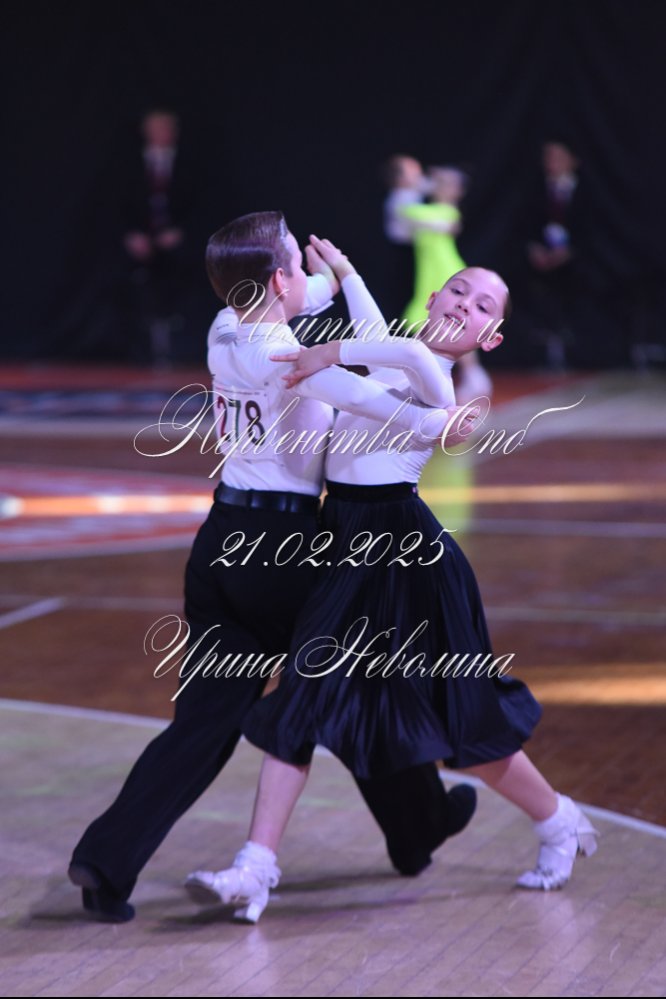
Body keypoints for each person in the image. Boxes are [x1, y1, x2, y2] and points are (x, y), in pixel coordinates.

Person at [67, 211, 477, 923]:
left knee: (204, 719)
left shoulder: (224, 327)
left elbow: (306, 296)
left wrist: (335, 276)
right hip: (280, 549)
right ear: (279, 279)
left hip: (220, 541)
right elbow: (371, 398)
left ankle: (105, 863)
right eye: (294, 262)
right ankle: (420, 825)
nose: (302, 274)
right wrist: (438, 423)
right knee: (359, 680)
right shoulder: (289, 356)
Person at [185, 250, 599, 923]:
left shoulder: (441, 380)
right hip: (345, 543)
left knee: (464, 718)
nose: (464, 304)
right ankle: (254, 869)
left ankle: (558, 819)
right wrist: (348, 276)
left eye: (482, 306)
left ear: (490, 338)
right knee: (301, 698)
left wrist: (328, 350)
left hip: (408, 558)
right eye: (458, 291)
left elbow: (394, 360)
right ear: (432, 298)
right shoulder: (396, 353)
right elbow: (383, 343)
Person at [400, 166, 494, 405]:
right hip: (430, 275)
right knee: (425, 325)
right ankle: (453, 378)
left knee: (442, 325)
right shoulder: (430, 212)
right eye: (439, 183)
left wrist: (412, 188)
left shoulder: (446, 212)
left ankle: (466, 377)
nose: (441, 188)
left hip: (446, 274)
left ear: (457, 192)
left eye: (447, 184)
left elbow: (407, 211)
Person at [120, 108, 192, 366]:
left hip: (178, 242)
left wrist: (179, 232)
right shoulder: (129, 164)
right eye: (156, 128)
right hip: (140, 240)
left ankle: (178, 350)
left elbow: (203, 201)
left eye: (167, 128)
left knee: (179, 286)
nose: (162, 134)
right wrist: (132, 234)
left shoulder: (189, 164)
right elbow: (116, 202)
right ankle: (141, 351)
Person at [524, 140, 582, 371]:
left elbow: (592, 228)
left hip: (575, 264)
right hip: (543, 263)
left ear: (573, 161)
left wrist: (569, 251)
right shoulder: (535, 190)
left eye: (558, 157)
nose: (552, 163)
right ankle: (545, 353)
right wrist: (535, 249)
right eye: (548, 157)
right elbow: (525, 224)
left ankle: (574, 352)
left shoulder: (585, 191)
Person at [380, 153, 427, 324]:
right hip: (402, 253)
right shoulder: (400, 199)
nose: (419, 174)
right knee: (403, 295)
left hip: (415, 251)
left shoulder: (413, 193)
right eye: (413, 171)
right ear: (399, 177)